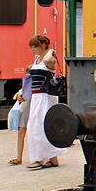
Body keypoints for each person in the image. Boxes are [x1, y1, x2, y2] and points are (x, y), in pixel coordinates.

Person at [23, 35, 68, 170]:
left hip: (45, 96)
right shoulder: (37, 60)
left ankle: (39, 158)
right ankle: (52, 158)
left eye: (35, 46)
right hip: (37, 96)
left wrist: (50, 50)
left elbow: (48, 59)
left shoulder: (49, 60)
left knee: (39, 125)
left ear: (42, 45)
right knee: (36, 125)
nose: (32, 49)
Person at [8, 84, 30, 165]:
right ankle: (19, 157)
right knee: (23, 131)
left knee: (22, 131)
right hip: (29, 102)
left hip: (29, 102)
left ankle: (19, 158)